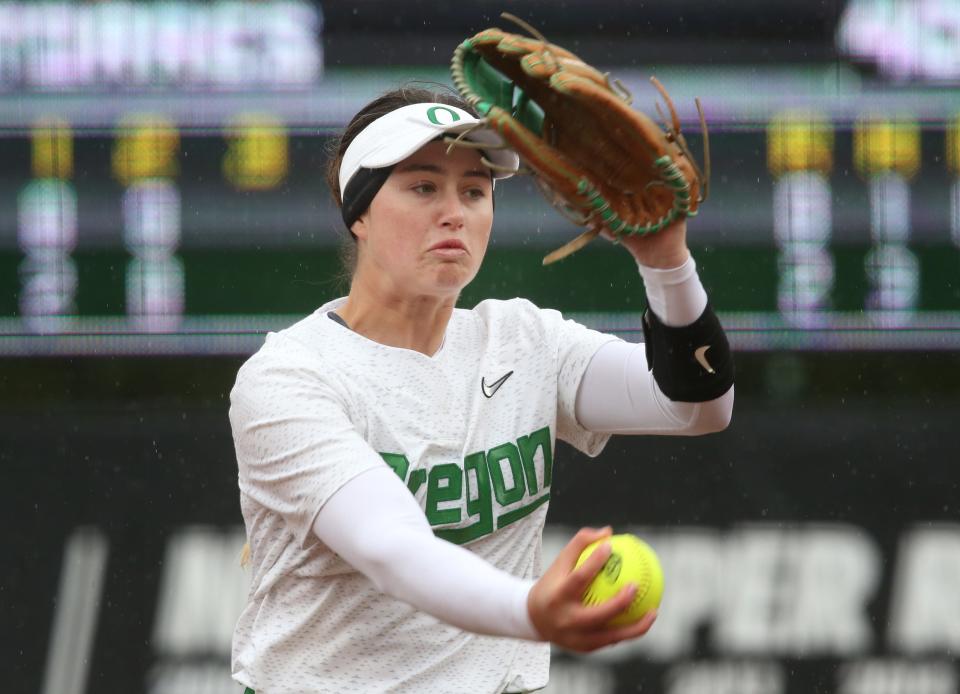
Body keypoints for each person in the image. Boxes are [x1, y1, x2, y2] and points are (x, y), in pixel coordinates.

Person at [229, 85, 734, 694]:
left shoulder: (522, 340)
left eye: (474, 190)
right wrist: (530, 612)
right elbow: (391, 547)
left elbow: (696, 407)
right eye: (423, 187)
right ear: (357, 211)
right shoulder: (291, 375)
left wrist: (666, 262)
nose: (455, 212)